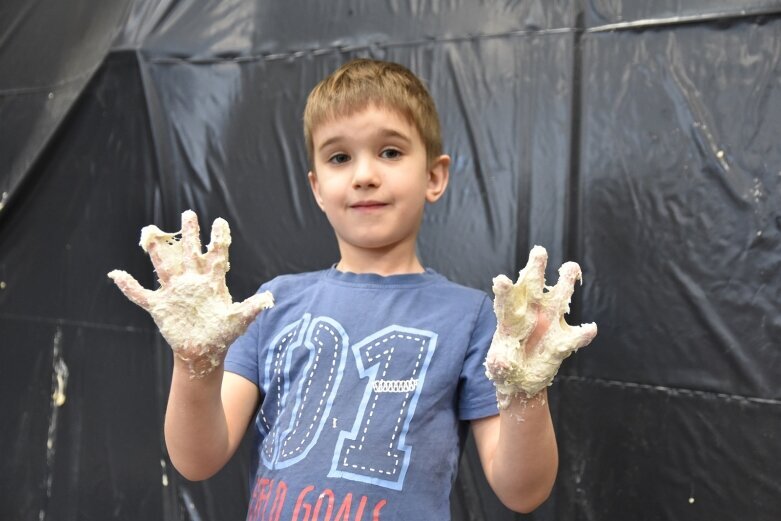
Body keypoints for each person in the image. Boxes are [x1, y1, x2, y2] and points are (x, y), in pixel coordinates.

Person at [108, 59, 596, 520]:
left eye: (390, 151)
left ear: (434, 175)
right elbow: (198, 460)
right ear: (318, 187)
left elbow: (523, 491)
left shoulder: (472, 318)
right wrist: (193, 362)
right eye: (340, 157)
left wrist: (528, 392)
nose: (365, 175)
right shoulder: (273, 303)